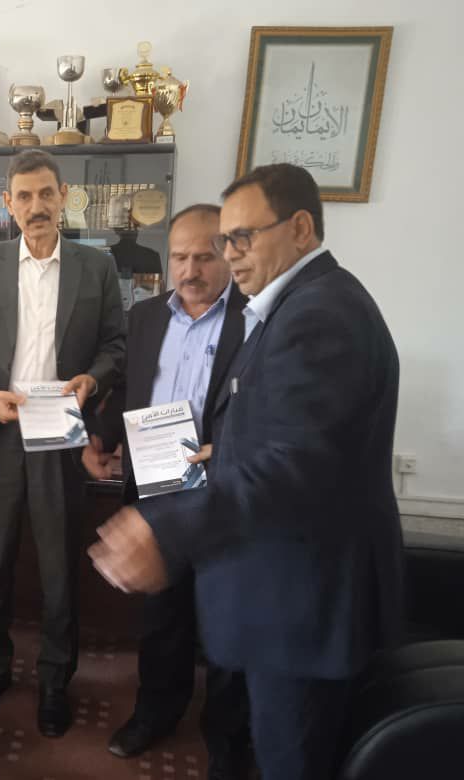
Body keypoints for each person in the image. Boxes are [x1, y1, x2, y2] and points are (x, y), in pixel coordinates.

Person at [89, 164, 404, 780]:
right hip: (288, 593)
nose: (229, 254)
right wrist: (225, 451)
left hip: (305, 608)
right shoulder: (295, 306)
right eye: (224, 241)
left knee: (290, 759)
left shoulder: (318, 315)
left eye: (240, 238)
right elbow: (277, 434)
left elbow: (293, 466)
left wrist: (164, 530)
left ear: (301, 228)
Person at [0, 149, 126, 738]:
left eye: (46, 193)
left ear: (64, 197)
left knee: (58, 570)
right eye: (24, 196)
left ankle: (54, 680)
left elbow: (116, 344)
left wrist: (93, 378)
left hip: (61, 434)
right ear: (8, 204)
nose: (36, 206)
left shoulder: (96, 267)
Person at [84, 204, 252, 779]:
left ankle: (227, 739)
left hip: (223, 489)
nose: (189, 270)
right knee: (163, 615)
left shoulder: (255, 319)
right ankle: (155, 712)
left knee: (227, 617)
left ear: (228, 253)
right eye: (179, 257)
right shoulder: (148, 315)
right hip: (158, 485)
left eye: (203, 256)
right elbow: (134, 386)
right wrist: (103, 437)